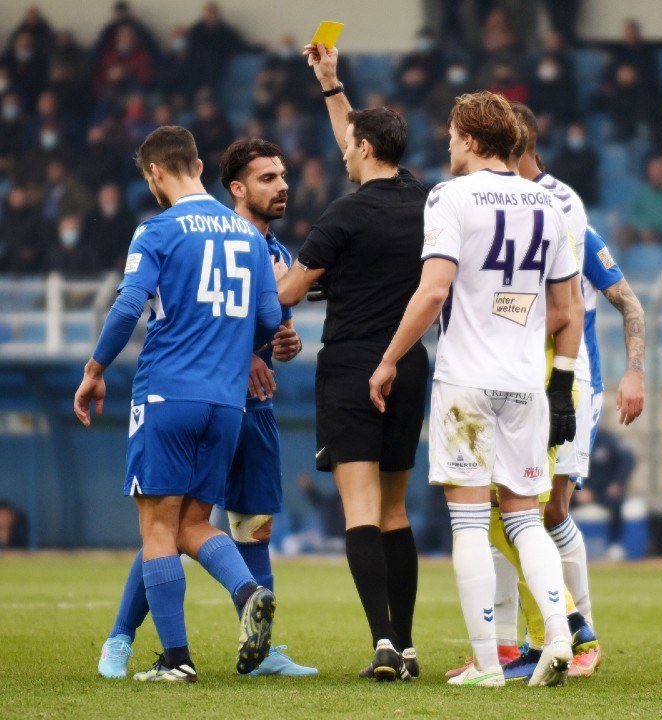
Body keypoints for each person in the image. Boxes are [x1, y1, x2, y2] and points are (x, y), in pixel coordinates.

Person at [367, 90, 580, 689]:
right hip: (524, 382)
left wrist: (388, 360)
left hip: (466, 381)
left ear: (468, 137)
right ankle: (559, 638)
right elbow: (566, 309)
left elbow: (434, 290)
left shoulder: (450, 196)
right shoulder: (548, 204)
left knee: (467, 524)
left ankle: (488, 665)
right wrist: (555, 375)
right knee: (525, 521)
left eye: (452, 135)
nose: (448, 145)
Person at [96, 138, 316, 681]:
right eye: (268, 178)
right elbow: (269, 317)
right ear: (205, 169)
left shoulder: (157, 229)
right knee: (192, 523)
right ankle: (246, 594)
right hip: (227, 404)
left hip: (170, 392)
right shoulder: (249, 238)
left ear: (152, 173)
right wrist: (253, 346)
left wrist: (94, 369)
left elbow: (128, 305)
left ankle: (176, 659)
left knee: (158, 526)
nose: (281, 186)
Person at [273, 42, 428, 682]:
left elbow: (283, 293)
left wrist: (276, 263)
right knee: (396, 511)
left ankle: (383, 643)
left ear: (364, 148)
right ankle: (410, 645)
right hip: (410, 362)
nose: (343, 149)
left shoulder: (342, 215)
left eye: (349, 143)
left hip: (352, 368)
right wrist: (332, 85)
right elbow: (357, 141)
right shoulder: (425, 201)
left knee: (359, 511)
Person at [492, 103, 646, 682]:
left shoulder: (561, 203)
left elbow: (624, 300)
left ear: (519, 139)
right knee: (505, 506)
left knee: (549, 508)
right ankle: (513, 645)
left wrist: (635, 372)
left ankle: (583, 635)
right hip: (512, 375)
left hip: (570, 377)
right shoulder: (495, 199)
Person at [578, 426, 636, 561]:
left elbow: (628, 459)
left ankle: (615, 545)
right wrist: (578, 488)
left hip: (602, 492)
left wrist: (617, 482)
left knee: (616, 504)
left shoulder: (607, 440)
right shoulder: (576, 440)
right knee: (558, 504)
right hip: (581, 492)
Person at [552, 122, 598, 206]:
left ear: (584, 136)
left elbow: (582, 174)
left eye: (578, 134)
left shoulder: (591, 155)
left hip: (586, 200)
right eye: (572, 134)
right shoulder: (561, 154)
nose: (575, 137)